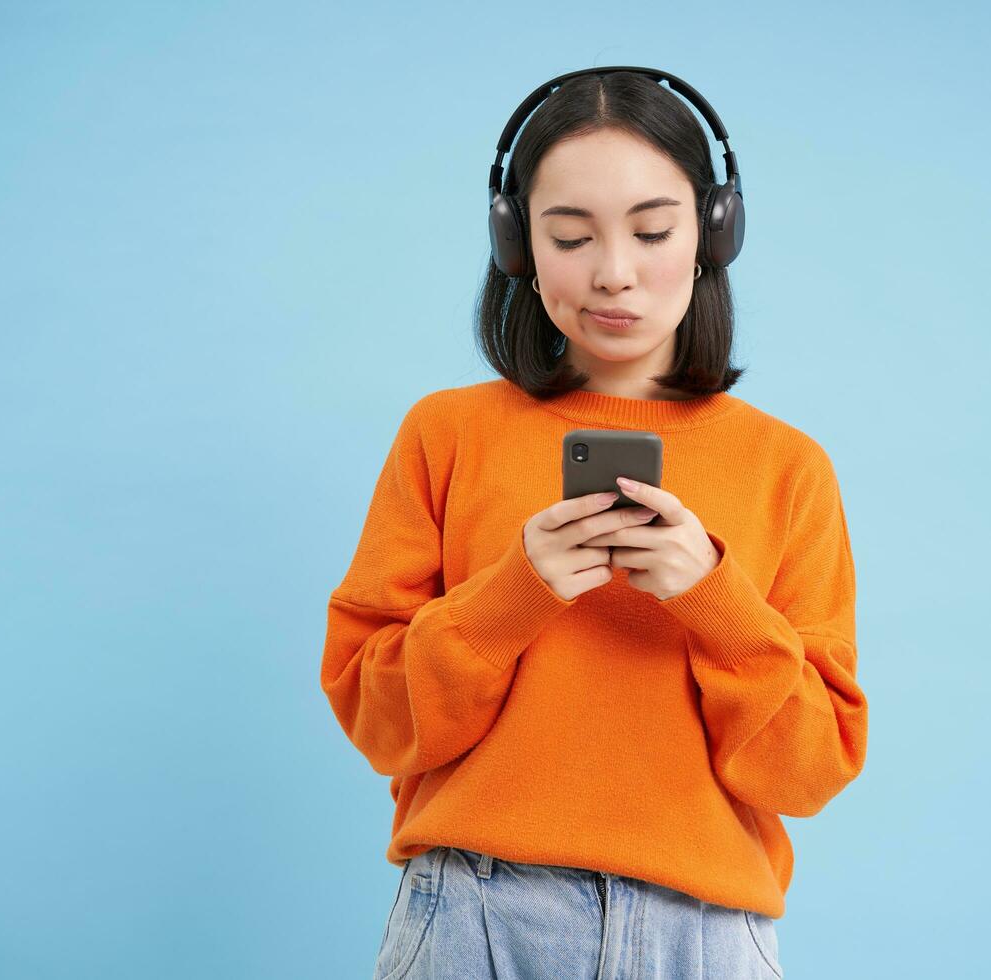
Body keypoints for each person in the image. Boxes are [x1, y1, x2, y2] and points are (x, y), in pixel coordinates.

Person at [320, 67, 867, 979]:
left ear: (711, 236)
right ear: (517, 245)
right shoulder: (445, 434)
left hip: (705, 934)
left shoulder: (789, 468)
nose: (614, 273)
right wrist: (510, 597)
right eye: (570, 236)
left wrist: (713, 600)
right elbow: (378, 721)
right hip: (474, 918)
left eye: (652, 231)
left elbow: (807, 771)